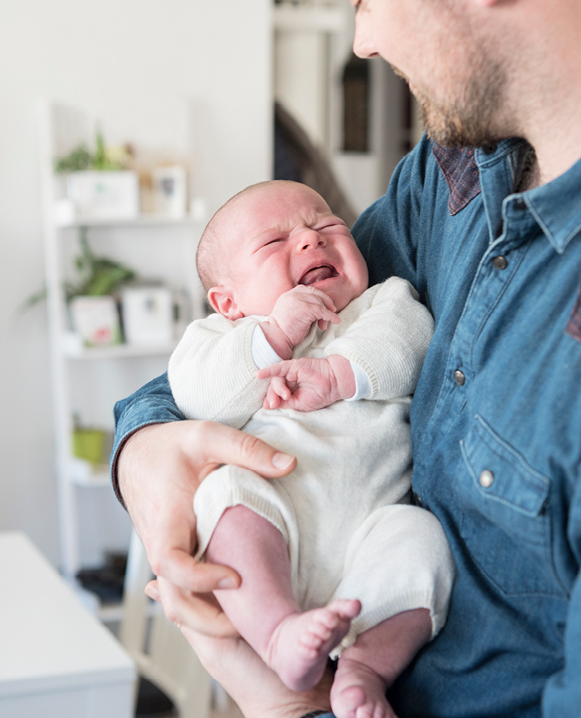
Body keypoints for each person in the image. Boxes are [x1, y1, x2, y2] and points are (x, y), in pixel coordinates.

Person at [111, 0, 581, 716]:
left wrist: (292, 711)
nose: (363, 41)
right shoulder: (466, 153)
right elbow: (274, 327)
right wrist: (145, 452)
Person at [172, 180, 453, 718]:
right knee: (225, 495)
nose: (310, 241)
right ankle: (278, 633)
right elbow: (198, 395)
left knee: (423, 543)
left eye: (326, 226)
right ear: (227, 302)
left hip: (372, 528)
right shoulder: (221, 337)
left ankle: (365, 668)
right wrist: (274, 335)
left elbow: (410, 345)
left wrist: (335, 372)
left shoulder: (382, 302)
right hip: (274, 513)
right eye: (274, 243)